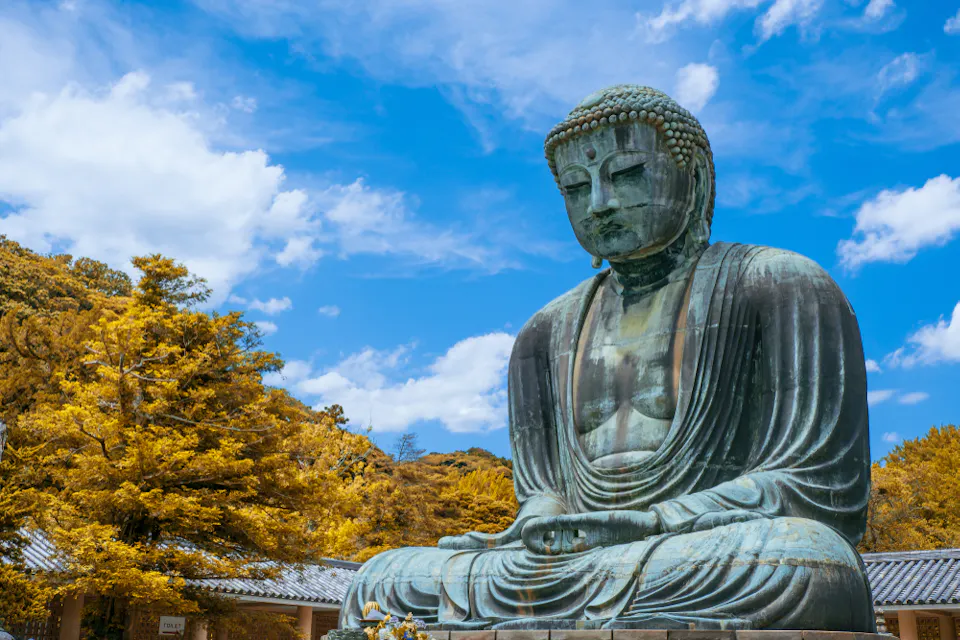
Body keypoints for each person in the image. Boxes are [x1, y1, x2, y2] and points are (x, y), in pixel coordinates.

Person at [340, 85, 875, 632]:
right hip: (574, 561)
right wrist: (540, 526)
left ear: (695, 179)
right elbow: (545, 492)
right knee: (380, 580)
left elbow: (820, 489)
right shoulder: (542, 334)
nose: (600, 203)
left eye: (626, 174)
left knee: (803, 561)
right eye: (576, 187)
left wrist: (655, 520)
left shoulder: (779, 284)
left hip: (698, 548)